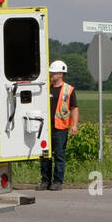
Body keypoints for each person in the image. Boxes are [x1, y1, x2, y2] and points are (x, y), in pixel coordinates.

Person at [41, 60, 79, 191]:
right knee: (45, 155)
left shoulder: (68, 90)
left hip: (60, 128)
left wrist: (74, 125)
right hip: (45, 127)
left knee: (59, 155)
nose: (51, 74)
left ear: (61, 74)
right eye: (51, 72)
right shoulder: (46, 87)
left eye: (54, 72)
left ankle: (57, 181)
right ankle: (45, 181)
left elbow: (74, 108)